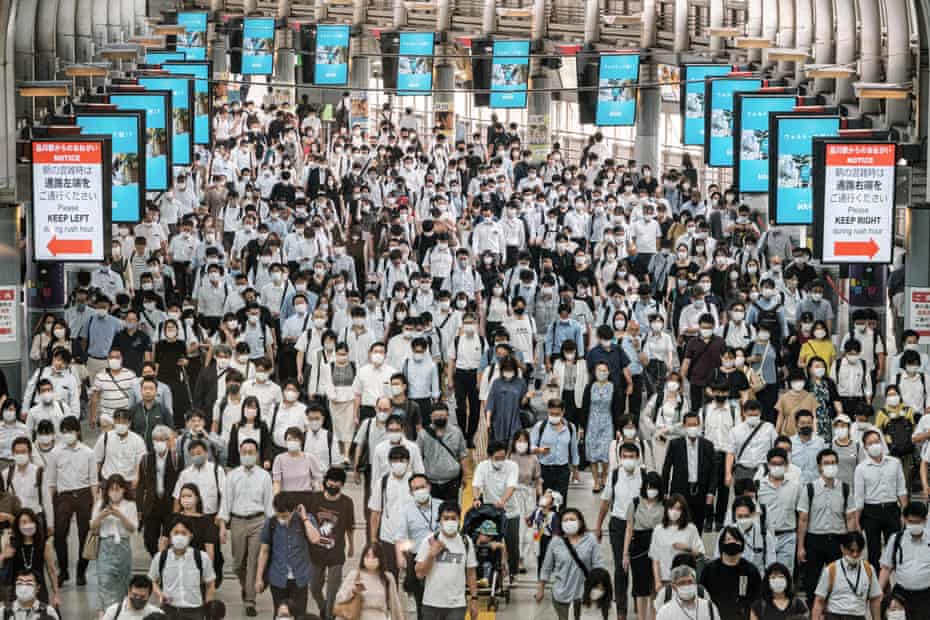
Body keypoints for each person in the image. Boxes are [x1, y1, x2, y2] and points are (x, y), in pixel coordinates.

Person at [217, 439, 274, 617]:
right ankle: (247, 586)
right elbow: (225, 502)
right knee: (237, 564)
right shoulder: (232, 476)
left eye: (251, 452)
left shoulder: (264, 476)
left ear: (256, 455)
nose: (247, 455)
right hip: (237, 521)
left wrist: (271, 527)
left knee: (253, 562)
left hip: (258, 521)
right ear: (240, 454)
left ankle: (250, 601)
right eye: (244, 452)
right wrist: (222, 526)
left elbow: (269, 503)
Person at [797, 447, 857, 606]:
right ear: (819, 466)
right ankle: (814, 612)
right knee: (811, 582)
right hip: (814, 540)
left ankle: (835, 611)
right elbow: (803, 519)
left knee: (839, 580)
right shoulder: (809, 489)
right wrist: (800, 546)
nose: (830, 466)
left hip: (838, 540)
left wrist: (851, 544)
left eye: (833, 462)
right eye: (826, 463)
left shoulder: (845, 488)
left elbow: (850, 518)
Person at [595, 441, 642, 620]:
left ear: (637, 458)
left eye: (631, 457)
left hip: (640, 526)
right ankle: (621, 609)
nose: (628, 460)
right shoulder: (614, 475)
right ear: (620, 458)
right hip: (618, 525)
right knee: (621, 567)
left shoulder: (644, 475)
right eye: (625, 456)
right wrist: (598, 526)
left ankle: (639, 600)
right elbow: (606, 501)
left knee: (638, 565)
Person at [47, 415, 95, 587]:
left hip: (84, 493)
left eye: (70, 431)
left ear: (78, 432)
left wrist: (96, 504)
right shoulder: (55, 453)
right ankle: (64, 570)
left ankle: (81, 571)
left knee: (85, 535)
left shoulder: (88, 452)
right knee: (59, 534)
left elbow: (94, 481)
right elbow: (51, 482)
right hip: (63, 495)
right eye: (64, 431)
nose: (67, 434)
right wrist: (49, 505)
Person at [255, 493, 322, 615]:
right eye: (279, 515)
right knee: (280, 614)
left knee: (300, 614)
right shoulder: (271, 523)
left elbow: (316, 539)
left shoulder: (305, 519)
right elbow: (264, 551)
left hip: (300, 578)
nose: (282, 519)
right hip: (277, 578)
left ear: (293, 511)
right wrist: (259, 578)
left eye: (285, 516)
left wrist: (304, 518)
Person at [537, 508, 604, 620]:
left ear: (580, 522)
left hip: (584, 593)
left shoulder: (590, 539)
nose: (569, 522)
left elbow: (598, 564)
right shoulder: (556, 541)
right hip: (561, 593)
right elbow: (546, 567)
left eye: (572, 519)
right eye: (565, 520)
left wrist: (600, 586)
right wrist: (541, 590)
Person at [855, 428, 908, 569]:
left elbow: (901, 490)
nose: (875, 445)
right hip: (871, 512)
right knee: (874, 551)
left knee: (894, 548)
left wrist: (904, 513)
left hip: (892, 509)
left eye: (877, 441)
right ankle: (876, 580)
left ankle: (893, 578)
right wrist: (856, 521)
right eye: (870, 443)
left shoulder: (895, 463)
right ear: (865, 447)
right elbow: (859, 497)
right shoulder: (861, 468)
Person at [307, 467, 355, 619]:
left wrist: (351, 545)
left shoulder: (347, 502)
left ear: (342, 484)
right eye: (331, 481)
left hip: (336, 553)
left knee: (332, 592)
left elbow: (350, 527)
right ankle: (323, 608)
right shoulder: (315, 498)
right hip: (316, 552)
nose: (333, 484)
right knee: (314, 587)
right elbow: (308, 522)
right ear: (326, 481)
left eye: (337, 482)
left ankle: (329, 616)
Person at [149, 517, 217, 620]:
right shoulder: (161, 557)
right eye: (176, 532)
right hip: (169, 611)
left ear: (191, 536)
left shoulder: (201, 557)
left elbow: (210, 584)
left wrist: (208, 611)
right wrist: (160, 594)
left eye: (184, 533)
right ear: (170, 535)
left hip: (195, 612)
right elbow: (151, 580)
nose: (179, 536)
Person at [90, 474, 138, 615]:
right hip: (105, 546)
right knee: (105, 581)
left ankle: (121, 613)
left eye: (118, 489)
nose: (115, 492)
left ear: (124, 489)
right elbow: (93, 527)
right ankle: (107, 613)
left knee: (123, 582)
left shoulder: (130, 505)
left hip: (123, 546)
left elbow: (132, 528)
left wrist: (120, 515)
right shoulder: (100, 503)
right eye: (111, 489)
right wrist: (101, 515)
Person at [661, 412, 716, 533]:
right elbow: (666, 468)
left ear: (699, 425)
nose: (692, 427)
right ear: (684, 426)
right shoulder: (675, 444)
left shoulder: (707, 445)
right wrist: (665, 492)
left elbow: (713, 471)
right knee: (678, 525)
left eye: (695, 424)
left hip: (700, 491)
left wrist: (711, 492)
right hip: (680, 491)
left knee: (697, 526)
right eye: (689, 425)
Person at [472, 441, 520, 577]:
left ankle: (513, 572)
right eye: (497, 458)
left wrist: (503, 501)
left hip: (510, 511)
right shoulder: (482, 466)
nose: (500, 461)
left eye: (503, 458)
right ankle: (492, 569)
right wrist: (476, 499)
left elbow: (511, 486)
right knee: (489, 542)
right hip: (491, 512)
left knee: (512, 543)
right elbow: (476, 485)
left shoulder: (512, 466)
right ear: (490, 456)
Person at [622, 471, 665, 620]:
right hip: (639, 548)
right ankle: (641, 617)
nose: (651, 490)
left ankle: (653, 617)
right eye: (648, 487)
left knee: (654, 586)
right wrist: (625, 554)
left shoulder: (664, 504)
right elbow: (629, 529)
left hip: (658, 547)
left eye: (654, 487)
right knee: (640, 588)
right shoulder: (635, 503)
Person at [811, 531, 882, 620]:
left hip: (858, 616)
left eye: (858, 551)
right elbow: (819, 601)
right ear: (842, 548)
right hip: (834, 616)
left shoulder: (869, 570)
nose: (855, 554)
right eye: (851, 551)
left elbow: (875, 600)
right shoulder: (831, 569)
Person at [878, 501, 930, 618]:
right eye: (911, 522)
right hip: (900, 596)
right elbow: (886, 568)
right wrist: (879, 591)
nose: (914, 525)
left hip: (926, 596)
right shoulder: (896, 539)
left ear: (925, 521)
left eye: (918, 522)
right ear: (904, 519)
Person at [137, 425, 183, 557]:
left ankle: (165, 560)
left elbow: (181, 482)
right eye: (156, 440)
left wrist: (179, 506)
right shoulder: (146, 459)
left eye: (162, 439)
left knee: (169, 537)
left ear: (168, 441)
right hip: (152, 504)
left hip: (170, 504)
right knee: (149, 539)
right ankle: (157, 558)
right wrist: (139, 508)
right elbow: (141, 485)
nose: (159, 443)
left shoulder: (176, 459)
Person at [700, 526, 762, 619]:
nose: (732, 542)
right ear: (721, 544)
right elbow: (702, 598)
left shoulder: (750, 570)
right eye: (728, 539)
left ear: (741, 544)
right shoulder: (709, 570)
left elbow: (757, 598)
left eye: (735, 540)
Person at [755, 447, 801, 573]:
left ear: (786, 465)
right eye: (774, 463)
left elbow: (801, 513)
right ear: (768, 465)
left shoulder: (795, 486)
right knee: (764, 574)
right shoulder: (759, 486)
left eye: (780, 464)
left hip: (787, 536)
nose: (777, 466)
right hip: (765, 537)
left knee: (785, 574)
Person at [336, 543, 406, 620]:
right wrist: (352, 591)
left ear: (380, 559)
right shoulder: (355, 575)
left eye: (374, 557)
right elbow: (339, 598)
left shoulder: (387, 577)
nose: (370, 559)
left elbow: (395, 605)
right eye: (367, 556)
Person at [530, 399, 579, 504]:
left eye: (557, 414)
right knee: (543, 503)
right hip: (544, 470)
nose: (554, 416)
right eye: (551, 413)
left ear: (563, 412)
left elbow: (574, 450)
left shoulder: (570, 428)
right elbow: (530, 446)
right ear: (548, 411)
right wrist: (540, 450)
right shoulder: (540, 426)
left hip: (563, 471)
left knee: (560, 503)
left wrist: (575, 471)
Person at [418, 404, 467, 502]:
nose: (440, 418)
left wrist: (465, 475)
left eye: (442, 416)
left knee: (453, 509)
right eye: (436, 416)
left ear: (448, 416)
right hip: (431, 482)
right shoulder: (423, 434)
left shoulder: (456, 432)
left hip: (453, 481)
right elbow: (418, 457)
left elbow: (463, 455)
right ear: (431, 417)